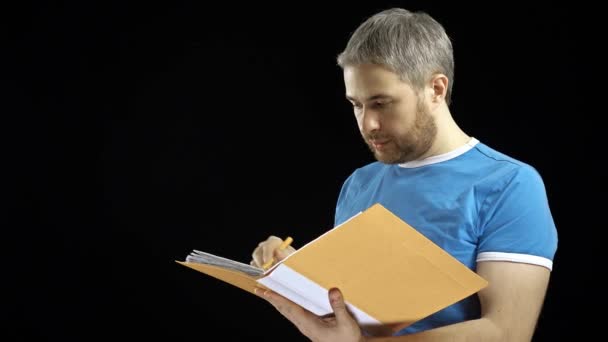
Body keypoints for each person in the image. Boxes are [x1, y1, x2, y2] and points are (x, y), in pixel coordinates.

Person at [250, 7, 558, 341]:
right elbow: (354, 308)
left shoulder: (510, 185)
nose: (367, 123)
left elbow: (507, 332)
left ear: (436, 89)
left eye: (381, 103)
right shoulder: (359, 184)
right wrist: (296, 272)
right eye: (357, 104)